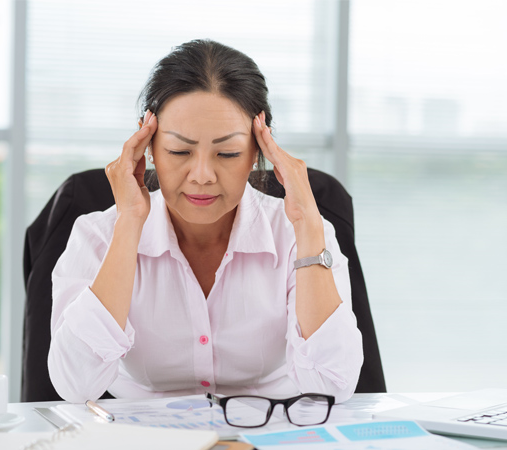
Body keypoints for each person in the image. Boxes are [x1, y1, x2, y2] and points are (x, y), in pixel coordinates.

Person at [48, 39, 363, 404]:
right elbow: (76, 386)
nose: (202, 175)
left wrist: (308, 224)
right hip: (146, 430)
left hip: (268, 426)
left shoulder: (298, 236)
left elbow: (331, 385)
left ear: (258, 151)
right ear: (148, 146)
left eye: (227, 153)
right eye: (179, 150)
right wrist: (129, 225)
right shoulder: (98, 236)